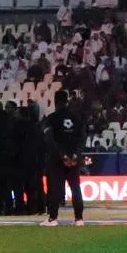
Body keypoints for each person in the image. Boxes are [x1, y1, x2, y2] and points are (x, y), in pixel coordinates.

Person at [41, 89, 83, 227]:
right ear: (67, 101)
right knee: (75, 187)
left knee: (55, 188)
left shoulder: (52, 118)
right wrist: (76, 154)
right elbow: (82, 138)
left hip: (57, 159)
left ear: (55, 101)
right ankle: (79, 219)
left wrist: (62, 155)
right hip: (74, 159)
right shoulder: (76, 118)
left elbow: (50, 139)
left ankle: (53, 219)